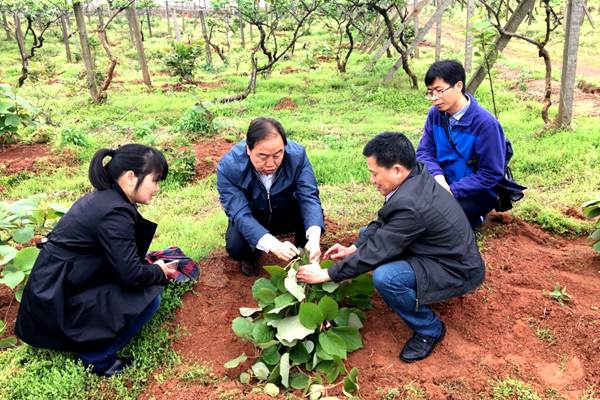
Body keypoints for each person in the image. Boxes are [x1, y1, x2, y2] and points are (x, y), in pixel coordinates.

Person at [297, 132, 485, 363]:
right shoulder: (414, 175)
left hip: (455, 269)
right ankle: (417, 297)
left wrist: (325, 274)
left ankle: (429, 329)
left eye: (375, 174)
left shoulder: (412, 205)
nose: (372, 180)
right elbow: (386, 221)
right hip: (436, 250)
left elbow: (378, 250)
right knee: (367, 234)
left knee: (387, 277)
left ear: (397, 169)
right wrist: (354, 248)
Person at [15, 144, 178, 376]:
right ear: (131, 177)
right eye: (155, 180)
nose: (157, 188)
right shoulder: (115, 213)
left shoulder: (105, 199)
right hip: (57, 301)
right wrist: (159, 272)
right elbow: (131, 275)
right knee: (150, 296)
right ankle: (98, 358)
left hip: (53, 290)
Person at [217, 117, 324, 276]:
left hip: (286, 212)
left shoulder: (297, 157)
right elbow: (239, 213)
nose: (271, 164)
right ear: (248, 149)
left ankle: (303, 251)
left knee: (313, 219)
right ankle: (252, 256)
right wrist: (272, 244)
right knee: (236, 247)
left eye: (277, 155)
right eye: (263, 156)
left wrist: (314, 238)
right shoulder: (229, 167)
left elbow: (309, 197)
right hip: (255, 216)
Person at [416, 59, 506, 228]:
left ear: (458, 86)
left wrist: (453, 191)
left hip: (475, 192)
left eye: (439, 91)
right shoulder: (435, 115)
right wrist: (438, 178)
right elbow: (424, 152)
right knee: (403, 199)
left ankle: (473, 217)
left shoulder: (486, 125)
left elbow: (491, 173)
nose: (434, 98)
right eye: (430, 92)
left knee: (431, 218)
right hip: (441, 184)